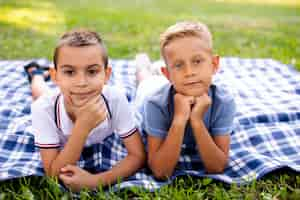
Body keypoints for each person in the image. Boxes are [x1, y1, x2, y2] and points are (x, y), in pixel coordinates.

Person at [26, 29, 146, 191]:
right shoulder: (43, 109)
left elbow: (138, 155)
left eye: (92, 71)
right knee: (40, 93)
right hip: (51, 99)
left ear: (106, 74)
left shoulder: (115, 98)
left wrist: (96, 181)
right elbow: (53, 173)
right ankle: (36, 74)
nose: (81, 82)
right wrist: (83, 126)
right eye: (69, 72)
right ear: (55, 76)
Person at [135, 21, 236, 180]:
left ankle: (153, 67)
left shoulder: (224, 101)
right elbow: (160, 172)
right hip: (150, 89)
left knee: (151, 77)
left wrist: (197, 120)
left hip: (174, 84)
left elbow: (217, 167)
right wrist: (179, 119)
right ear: (167, 74)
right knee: (144, 79)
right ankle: (142, 64)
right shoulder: (154, 103)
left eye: (197, 61)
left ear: (214, 64)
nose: (189, 72)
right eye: (178, 65)